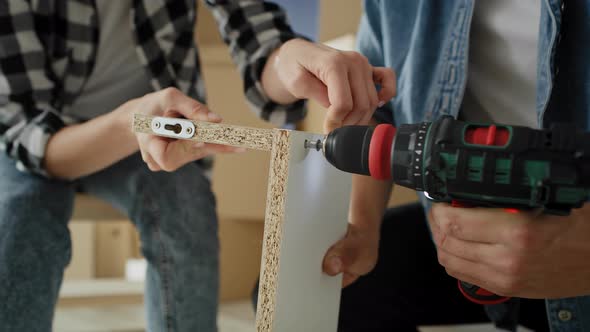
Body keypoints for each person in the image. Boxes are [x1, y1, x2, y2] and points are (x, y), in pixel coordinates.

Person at [0, 1, 395, 331]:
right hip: (36, 143)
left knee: (184, 201)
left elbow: (258, 34)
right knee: (19, 216)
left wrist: (288, 57)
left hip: (155, 141)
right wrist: (131, 123)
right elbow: (31, 139)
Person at [322, 1, 590, 331]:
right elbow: (381, 107)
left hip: (578, 253)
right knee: (319, 295)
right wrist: (362, 226)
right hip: (466, 233)